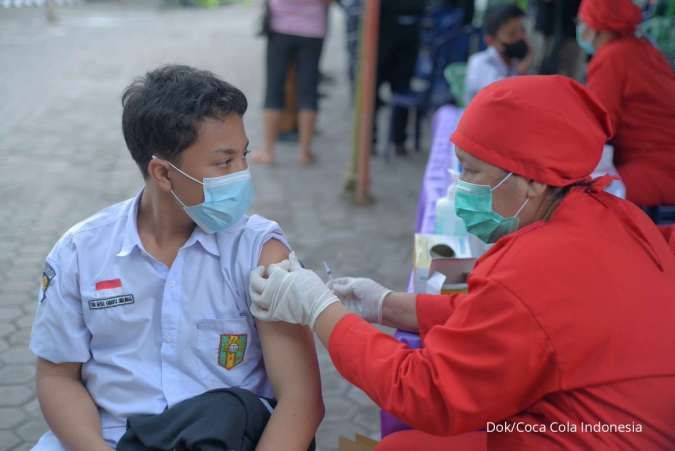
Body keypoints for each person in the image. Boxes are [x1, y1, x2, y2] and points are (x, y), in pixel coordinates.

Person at [249, 76, 675, 450]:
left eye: (471, 173)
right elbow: (503, 318)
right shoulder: (606, 213)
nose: (459, 189)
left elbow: (427, 393)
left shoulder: (538, 263)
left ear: (530, 180)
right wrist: (384, 305)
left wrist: (323, 312)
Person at [29, 65, 323, 450]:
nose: (243, 173)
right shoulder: (80, 253)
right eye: (224, 162)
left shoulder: (260, 253)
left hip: (224, 439)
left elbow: (301, 400)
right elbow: (57, 376)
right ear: (163, 174)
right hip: (112, 440)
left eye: (243, 155)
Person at [577, 0, 675, 207]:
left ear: (598, 26)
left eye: (582, 21)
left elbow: (599, 124)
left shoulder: (612, 57)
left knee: (581, 199)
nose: (580, 27)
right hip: (663, 163)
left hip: (654, 170)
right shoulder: (643, 49)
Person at [252, 0, 331, 166]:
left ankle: (268, 152)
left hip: (281, 27)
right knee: (308, 91)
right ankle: (304, 153)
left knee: (273, 89)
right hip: (313, 29)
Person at [464, 3, 533, 104]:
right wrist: (520, 72)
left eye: (522, 31)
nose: (520, 37)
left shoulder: (514, 62)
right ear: (491, 40)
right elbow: (502, 97)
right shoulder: (480, 63)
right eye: (512, 34)